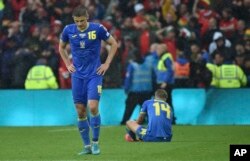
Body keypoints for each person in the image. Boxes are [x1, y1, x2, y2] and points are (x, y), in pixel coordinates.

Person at [58, 5, 118, 155]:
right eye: (77, 21)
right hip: (77, 75)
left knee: (92, 107)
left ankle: (96, 142)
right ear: (74, 20)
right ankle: (87, 146)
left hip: (94, 74)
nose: (79, 24)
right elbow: (61, 47)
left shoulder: (97, 29)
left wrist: (107, 64)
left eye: (82, 21)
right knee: (80, 111)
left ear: (87, 18)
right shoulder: (68, 30)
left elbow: (114, 43)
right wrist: (67, 64)